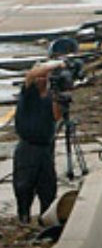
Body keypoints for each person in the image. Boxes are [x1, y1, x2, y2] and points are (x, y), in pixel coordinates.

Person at [13, 61, 62, 225]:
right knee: (24, 185)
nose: (42, 79)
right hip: (28, 146)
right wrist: (57, 64)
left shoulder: (50, 95)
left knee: (48, 186)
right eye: (40, 76)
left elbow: (56, 116)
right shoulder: (28, 92)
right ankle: (24, 216)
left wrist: (58, 97)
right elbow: (30, 75)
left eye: (45, 77)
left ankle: (45, 217)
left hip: (45, 147)